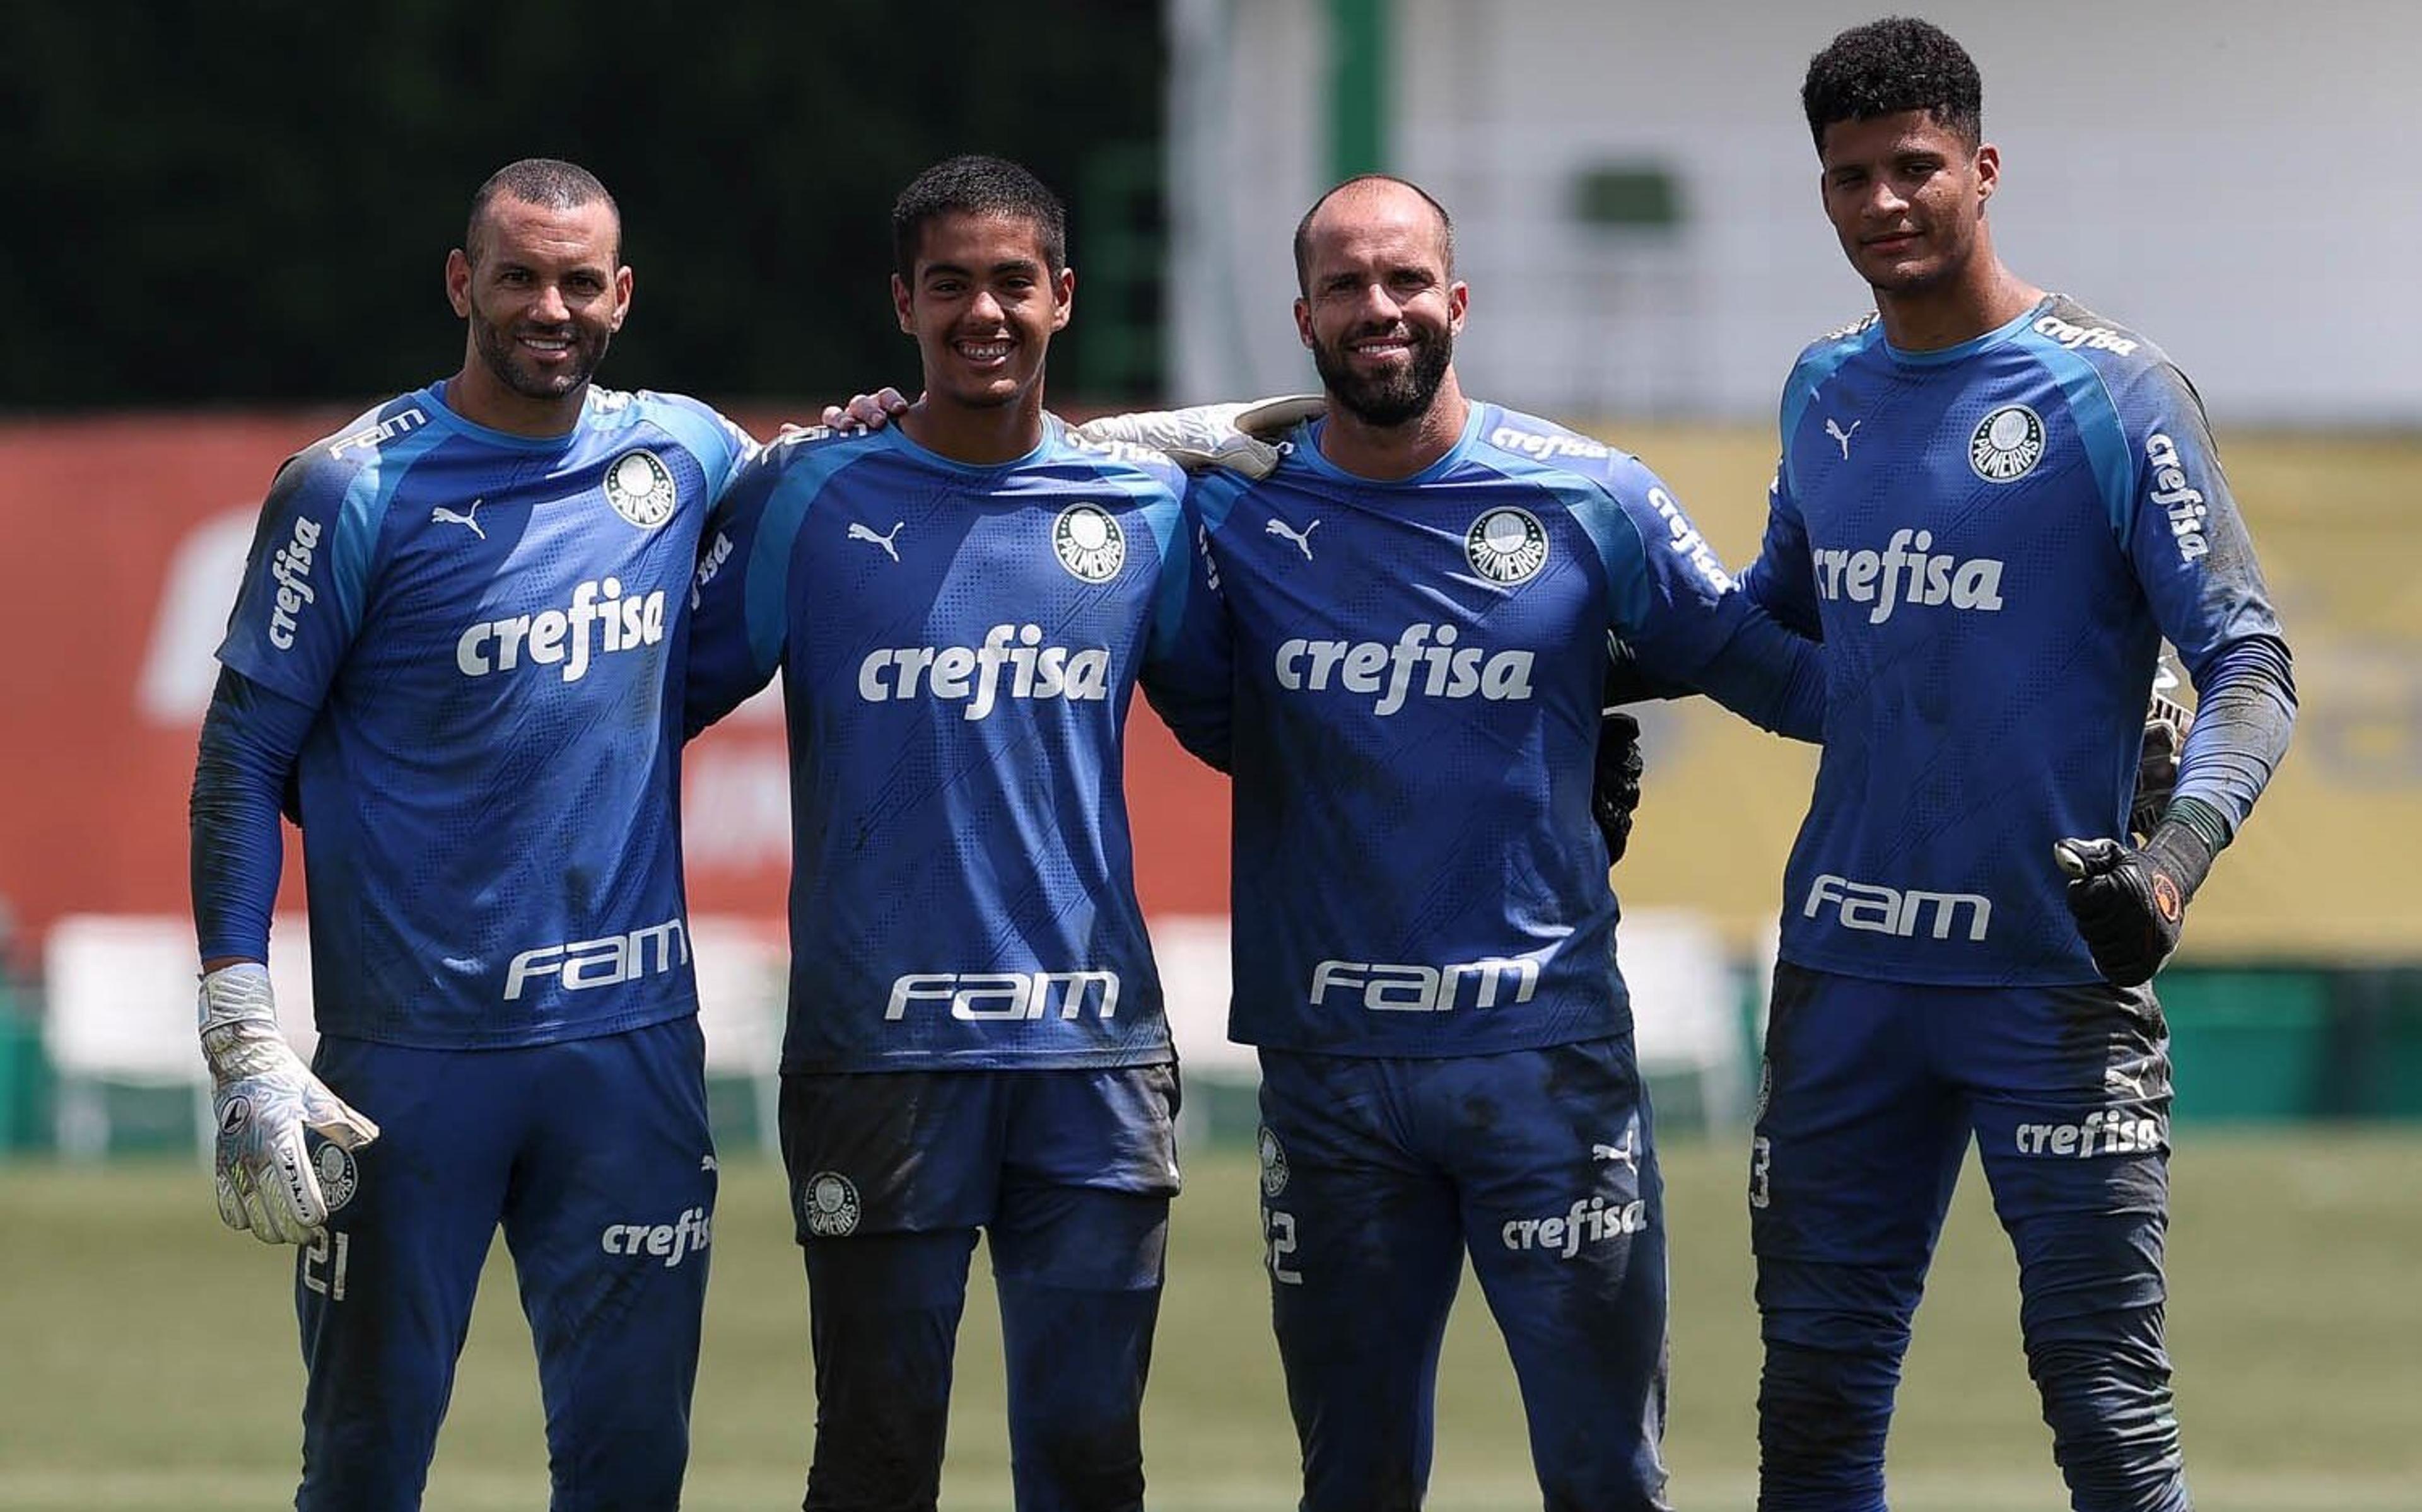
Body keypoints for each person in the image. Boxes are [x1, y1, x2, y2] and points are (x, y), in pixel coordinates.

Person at [1173, 175, 1827, 1512]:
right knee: (1352, 1480)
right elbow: (1217, 714)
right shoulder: (1223, 517)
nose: (1382, 309)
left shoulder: (1594, 500)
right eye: (1348, 286)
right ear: (1303, 318)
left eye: (1407, 280)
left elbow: (1784, 675)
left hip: (1546, 1065)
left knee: (1606, 1479)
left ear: (1457, 301)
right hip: (1333, 1070)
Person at [1732, 20, 2296, 1511]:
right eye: (1850, 178)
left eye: (1916, 167)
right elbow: (1794, 656)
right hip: (1847, 974)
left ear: (1982, 169)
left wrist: (2169, 868)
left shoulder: (2116, 394)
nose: (1885, 204)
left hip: (2054, 982)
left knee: (2109, 1415)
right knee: (1814, 1416)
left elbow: (2252, 666)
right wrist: (1579, 683)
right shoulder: (1821, 391)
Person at [189, 158, 752, 1510]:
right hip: (406, 1070)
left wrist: (1117, 446)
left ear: (620, 294)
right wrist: (242, 1030)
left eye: (577, 281)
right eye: (517, 276)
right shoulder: (348, 487)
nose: (547, 306)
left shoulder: (688, 450)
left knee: (632, 1472)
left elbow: (850, 507)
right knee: (365, 1468)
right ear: (463, 283)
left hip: (628, 1060)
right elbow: (241, 758)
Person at [684, 154, 1215, 1512]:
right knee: (871, 1459)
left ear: (1064, 298)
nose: (985, 312)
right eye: (952, 285)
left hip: (1091, 1056)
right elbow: (649, 696)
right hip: (879, 1052)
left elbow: (1261, 718)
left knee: (1093, 1461)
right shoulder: (810, 498)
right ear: (904, 304)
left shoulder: (1146, 508)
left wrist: (1569, 739)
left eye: (1013, 283)